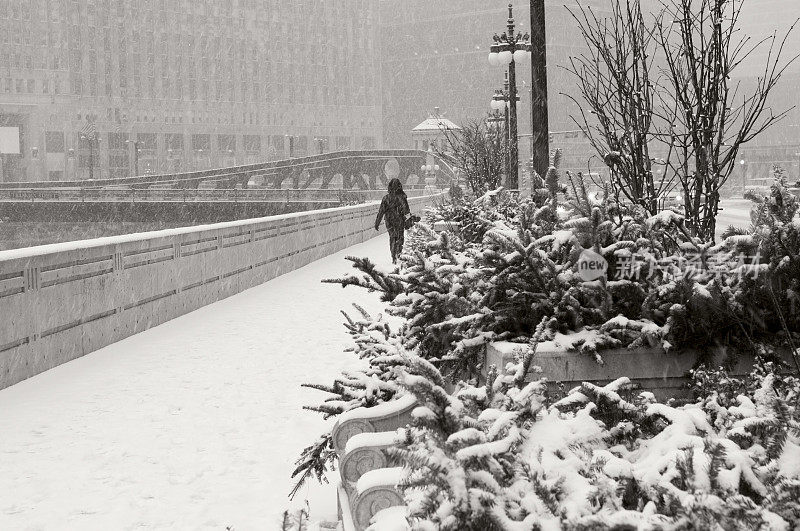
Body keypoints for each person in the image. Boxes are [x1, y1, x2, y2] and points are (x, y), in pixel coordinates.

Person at [374, 178, 411, 264]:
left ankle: (393, 255)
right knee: (400, 237)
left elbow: (381, 211)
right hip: (400, 221)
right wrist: (409, 220)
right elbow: (406, 210)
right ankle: (398, 253)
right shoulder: (402, 197)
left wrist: (377, 223)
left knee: (392, 237)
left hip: (389, 221)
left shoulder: (386, 198)